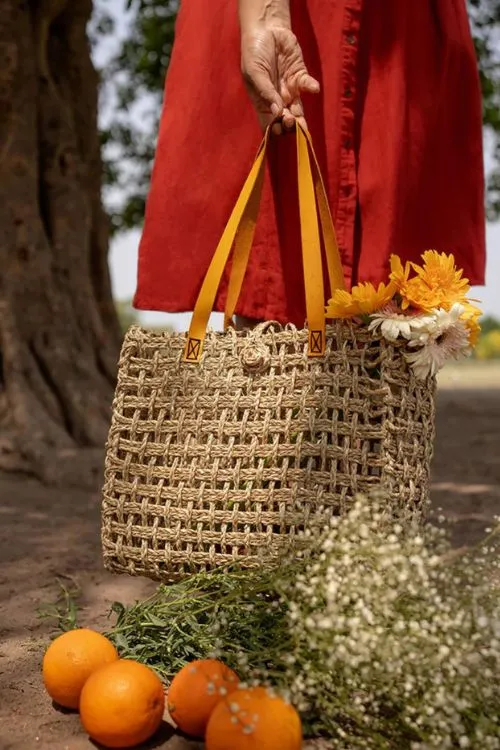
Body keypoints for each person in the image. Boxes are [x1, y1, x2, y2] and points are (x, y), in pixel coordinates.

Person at [134, 0, 486, 327]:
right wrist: (267, 17)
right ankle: (269, 389)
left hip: (401, 28)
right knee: (270, 263)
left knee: (407, 297)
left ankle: (377, 392)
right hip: (289, 15)